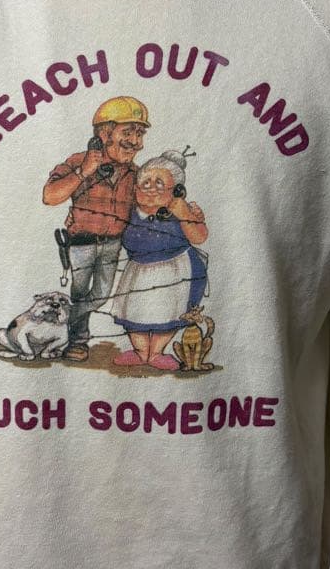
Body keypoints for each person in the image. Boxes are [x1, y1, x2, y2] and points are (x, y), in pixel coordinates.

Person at [43, 96, 150, 361]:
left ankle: (61, 318)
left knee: (101, 295)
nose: (135, 142)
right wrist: (84, 171)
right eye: (128, 132)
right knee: (80, 291)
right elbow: (50, 196)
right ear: (104, 134)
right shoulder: (79, 162)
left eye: (139, 134)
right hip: (81, 243)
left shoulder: (135, 173)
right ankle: (77, 341)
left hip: (113, 244)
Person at [110, 149, 208, 370]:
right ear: (136, 189)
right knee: (133, 310)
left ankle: (156, 352)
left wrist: (185, 213)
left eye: (159, 183)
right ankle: (140, 351)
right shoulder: (130, 212)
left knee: (169, 311)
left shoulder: (181, 212)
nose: (151, 188)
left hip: (174, 270)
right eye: (145, 183)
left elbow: (199, 237)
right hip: (137, 271)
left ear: (176, 191)